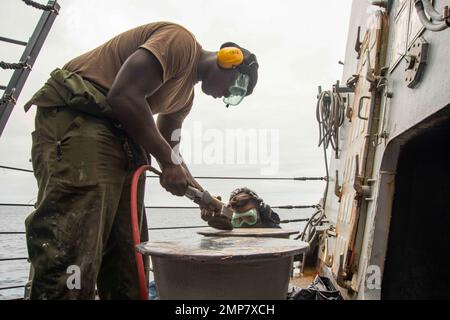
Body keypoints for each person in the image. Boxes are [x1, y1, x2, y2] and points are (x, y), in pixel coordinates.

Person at [23, 21, 258, 299]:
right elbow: (124, 94)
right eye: (235, 89)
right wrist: (169, 165)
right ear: (228, 59)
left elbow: (171, 154)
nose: (227, 97)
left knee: (128, 254)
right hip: (83, 116)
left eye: (236, 98)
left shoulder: (184, 99)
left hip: (122, 139)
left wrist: (208, 202)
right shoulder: (180, 42)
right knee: (74, 248)